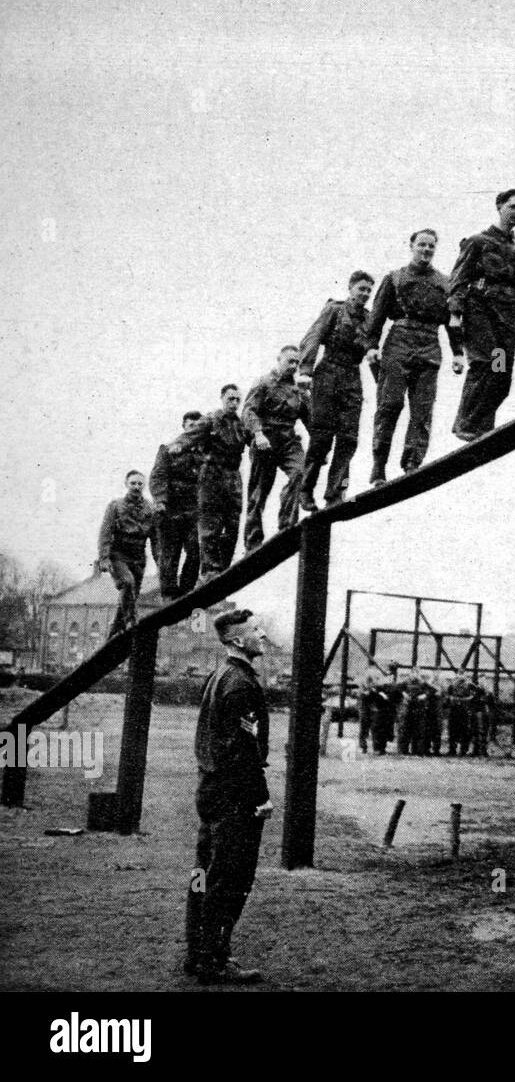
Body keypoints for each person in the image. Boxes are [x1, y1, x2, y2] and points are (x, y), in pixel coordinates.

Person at [184, 608, 273, 985]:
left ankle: (198, 954)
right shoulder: (239, 683)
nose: (263, 634)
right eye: (255, 630)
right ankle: (213, 960)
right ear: (238, 640)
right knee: (228, 879)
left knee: (204, 874)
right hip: (234, 797)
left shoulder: (221, 676)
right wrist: (261, 797)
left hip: (213, 791)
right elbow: (242, 749)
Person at [364, 229, 463, 485]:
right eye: (422, 245)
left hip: (429, 345)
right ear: (411, 246)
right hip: (399, 341)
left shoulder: (445, 283)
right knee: (389, 405)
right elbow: (376, 315)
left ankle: (412, 464)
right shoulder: (395, 278)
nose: (426, 250)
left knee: (422, 410)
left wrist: (458, 352)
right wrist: (371, 346)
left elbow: (453, 321)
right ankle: (378, 466)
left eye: (431, 246)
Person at [448, 190, 515, 441]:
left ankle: (482, 426)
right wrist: (455, 313)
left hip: (504, 317)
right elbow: (459, 278)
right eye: (512, 206)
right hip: (480, 310)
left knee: (501, 373)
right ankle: (466, 424)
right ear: (499, 207)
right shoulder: (478, 242)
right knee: (484, 363)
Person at [298, 271, 375, 511]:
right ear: (351, 288)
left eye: (368, 290)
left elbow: (373, 353)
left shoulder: (370, 319)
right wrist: (305, 370)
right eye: (361, 288)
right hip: (328, 373)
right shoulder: (335, 310)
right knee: (321, 437)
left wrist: (382, 383)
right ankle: (305, 489)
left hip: (352, 375)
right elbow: (313, 336)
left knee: (348, 438)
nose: (365, 293)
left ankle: (335, 494)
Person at [174, 383, 253, 582]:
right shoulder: (211, 419)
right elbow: (190, 436)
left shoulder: (241, 424)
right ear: (222, 398)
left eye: (237, 400)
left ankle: (223, 570)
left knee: (232, 524)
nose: (234, 403)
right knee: (210, 524)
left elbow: (253, 440)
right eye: (230, 399)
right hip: (212, 475)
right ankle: (209, 570)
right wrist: (178, 445)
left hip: (233, 477)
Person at [242, 345, 310, 552]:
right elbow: (248, 411)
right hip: (266, 440)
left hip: (288, 440)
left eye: (297, 363)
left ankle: (287, 525)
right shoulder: (263, 382)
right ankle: (253, 541)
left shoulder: (297, 390)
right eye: (290, 361)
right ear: (279, 359)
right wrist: (258, 433)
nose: (294, 366)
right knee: (258, 493)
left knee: (301, 472)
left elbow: (309, 419)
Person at [149, 411, 203, 600]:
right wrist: (160, 501)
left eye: (198, 427)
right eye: (191, 426)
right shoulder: (168, 449)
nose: (194, 430)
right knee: (169, 555)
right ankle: (169, 594)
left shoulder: (206, 454)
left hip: (195, 511)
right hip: (171, 509)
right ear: (184, 428)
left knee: (197, 550)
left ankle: (186, 591)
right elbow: (158, 476)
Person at [96, 470, 157, 637]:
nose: (136, 487)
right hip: (118, 555)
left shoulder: (150, 509)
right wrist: (104, 558)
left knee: (129, 598)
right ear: (126, 484)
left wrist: (161, 564)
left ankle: (114, 636)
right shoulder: (116, 506)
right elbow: (106, 532)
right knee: (127, 583)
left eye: (140, 484)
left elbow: (155, 538)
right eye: (133, 483)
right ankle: (131, 621)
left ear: (143, 486)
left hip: (138, 558)